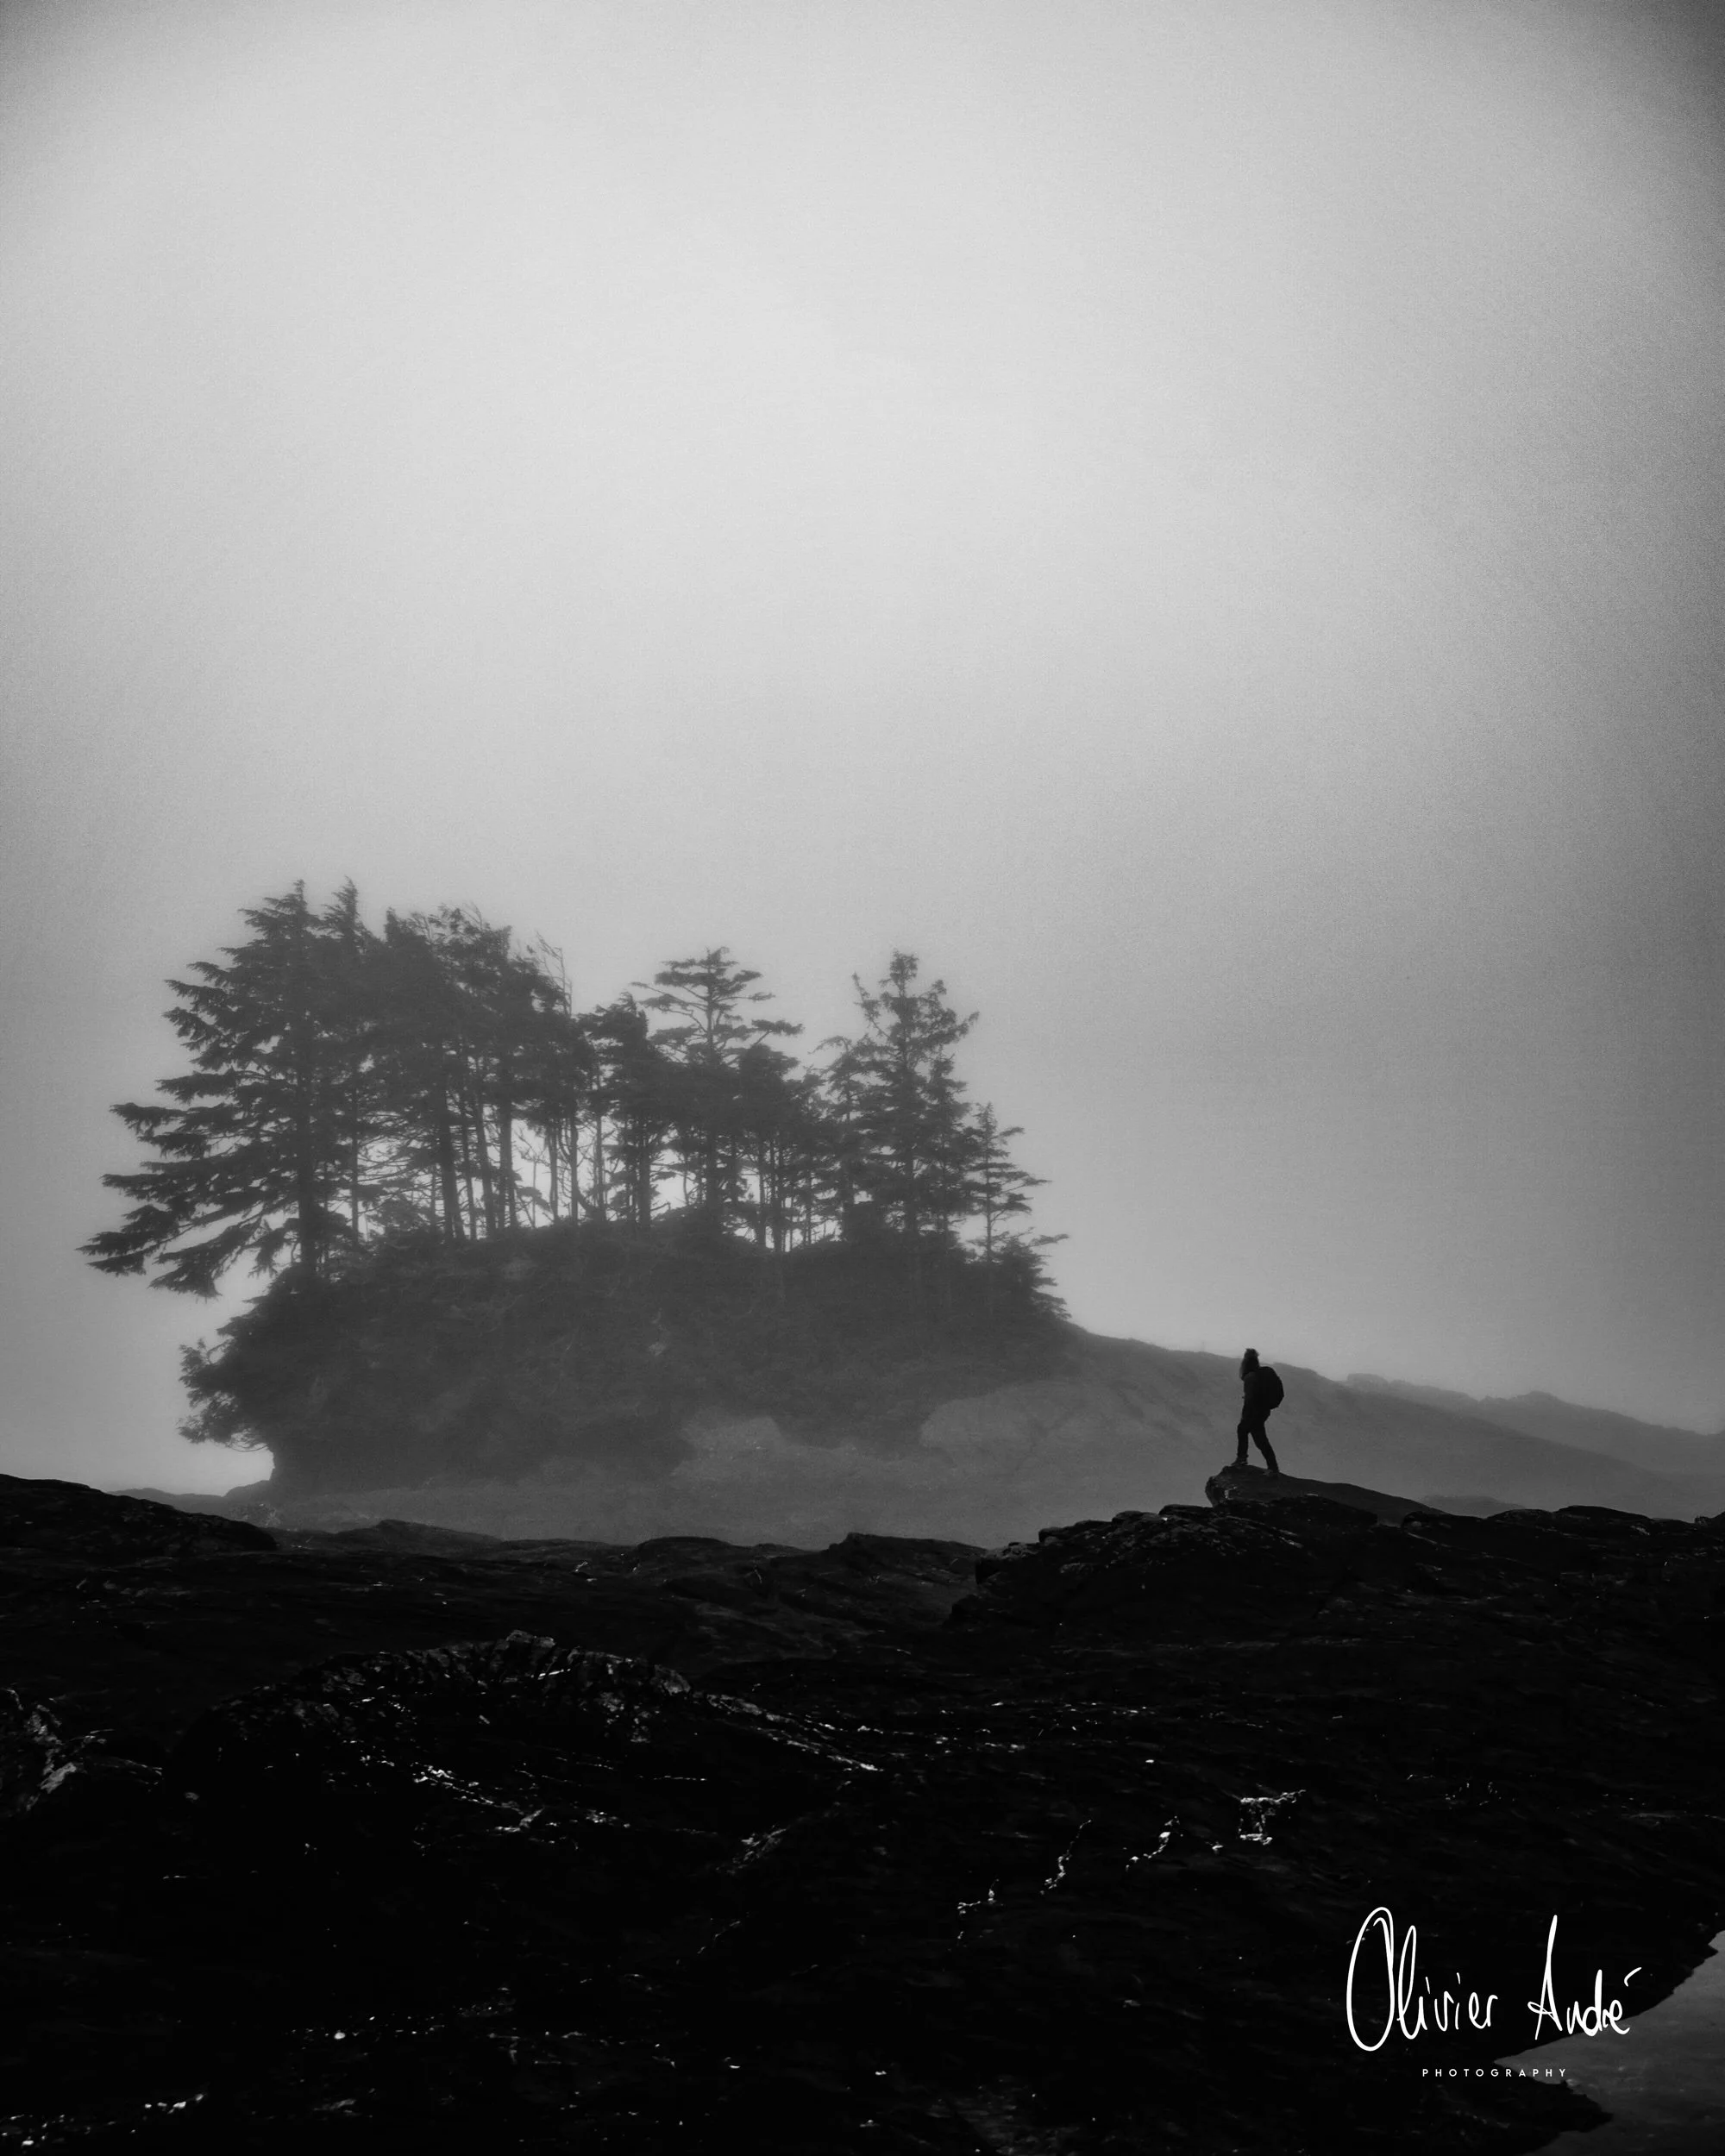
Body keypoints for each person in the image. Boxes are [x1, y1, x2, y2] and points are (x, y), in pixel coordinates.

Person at [1233, 1348, 1281, 1473]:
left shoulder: (1250, 1377)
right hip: (1264, 1410)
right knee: (1260, 1438)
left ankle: (1242, 1458)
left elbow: (1250, 1400)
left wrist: (1245, 1416)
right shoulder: (1263, 1374)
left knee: (1243, 1429)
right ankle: (1273, 1467)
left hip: (1254, 1411)